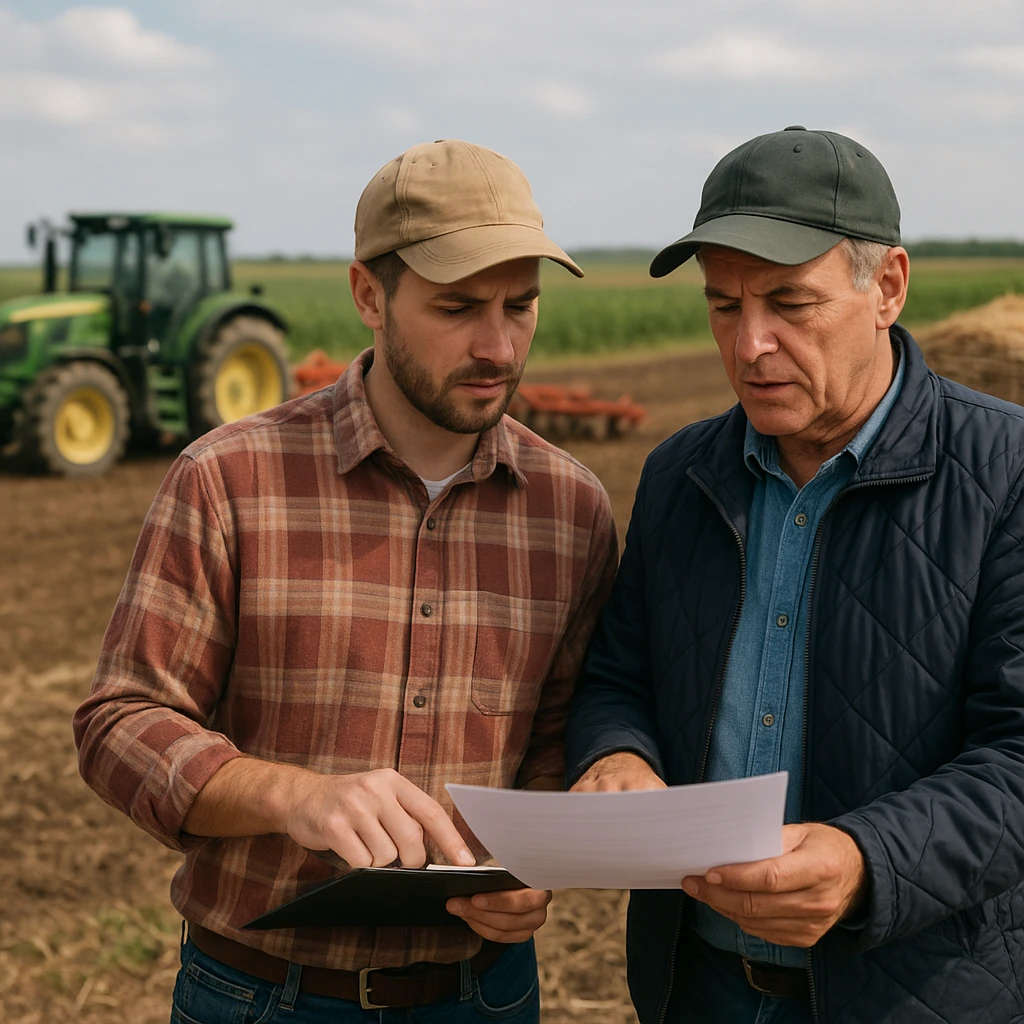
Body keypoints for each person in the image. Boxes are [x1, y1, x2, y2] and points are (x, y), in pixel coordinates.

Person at [74, 139, 617, 1023]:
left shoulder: (572, 510)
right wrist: (296, 797)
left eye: (522, 306)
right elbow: (120, 723)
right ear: (369, 294)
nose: (497, 343)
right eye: (457, 307)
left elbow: (559, 732)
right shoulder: (228, 479)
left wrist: (536, 864)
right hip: (262, 993)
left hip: (486, 995)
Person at [565, 126, 1024, 1023]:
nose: (750, 344)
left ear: (886, 287)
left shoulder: (1006, 473)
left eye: (788, 302)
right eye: (725, 305)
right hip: (696, 988)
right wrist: (617, 754)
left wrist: (865, 862)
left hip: (915, 993)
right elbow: (619, 677)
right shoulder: (679, 475)